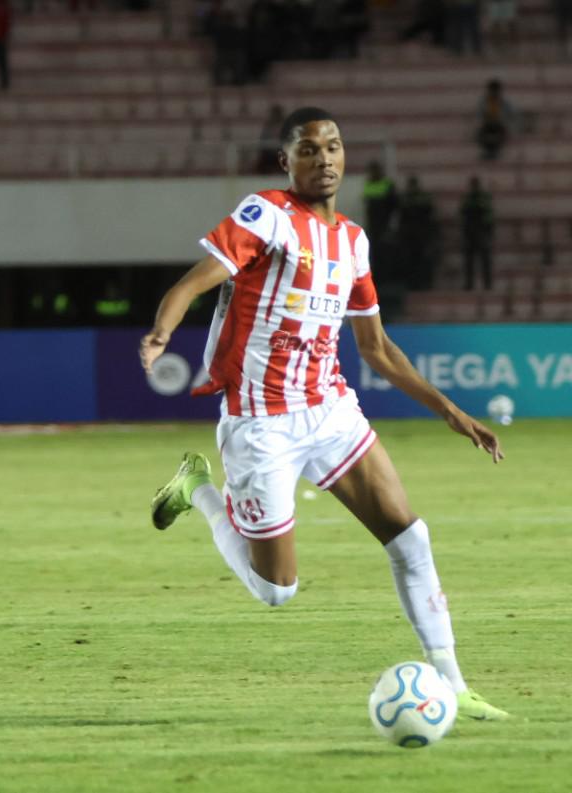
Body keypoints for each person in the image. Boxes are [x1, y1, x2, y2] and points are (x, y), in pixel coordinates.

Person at [138, 106, 510, 722]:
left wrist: (451, 410)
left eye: (333, 146)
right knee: (276, 591)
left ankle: (455, 684)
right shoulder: (266, 215)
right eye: (308, 150)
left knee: (411, 539)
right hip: (261, 423)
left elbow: (377, 349)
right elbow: (195, 282)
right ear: (287, 162)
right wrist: (160, 329)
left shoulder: (353, 242)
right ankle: (199, 489)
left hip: (331, 410)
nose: (325, 158)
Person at [397, 174, 438, 290]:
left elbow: (429, 217)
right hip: (411, 236)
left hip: (420, 235)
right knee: (411, 261)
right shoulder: (411, 199)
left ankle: (421, 284)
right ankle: (414, 284)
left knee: (420, 261)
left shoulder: (412, 199)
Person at [460, 175, 494, 290]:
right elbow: (462, 216)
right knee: (469, 261)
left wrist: (488, 231)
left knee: (484, 260)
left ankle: (487, 284)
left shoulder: (482, 198)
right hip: (470, 232)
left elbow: (489, 216)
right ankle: (469, 284)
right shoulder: (468, 199)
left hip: (480, 231)